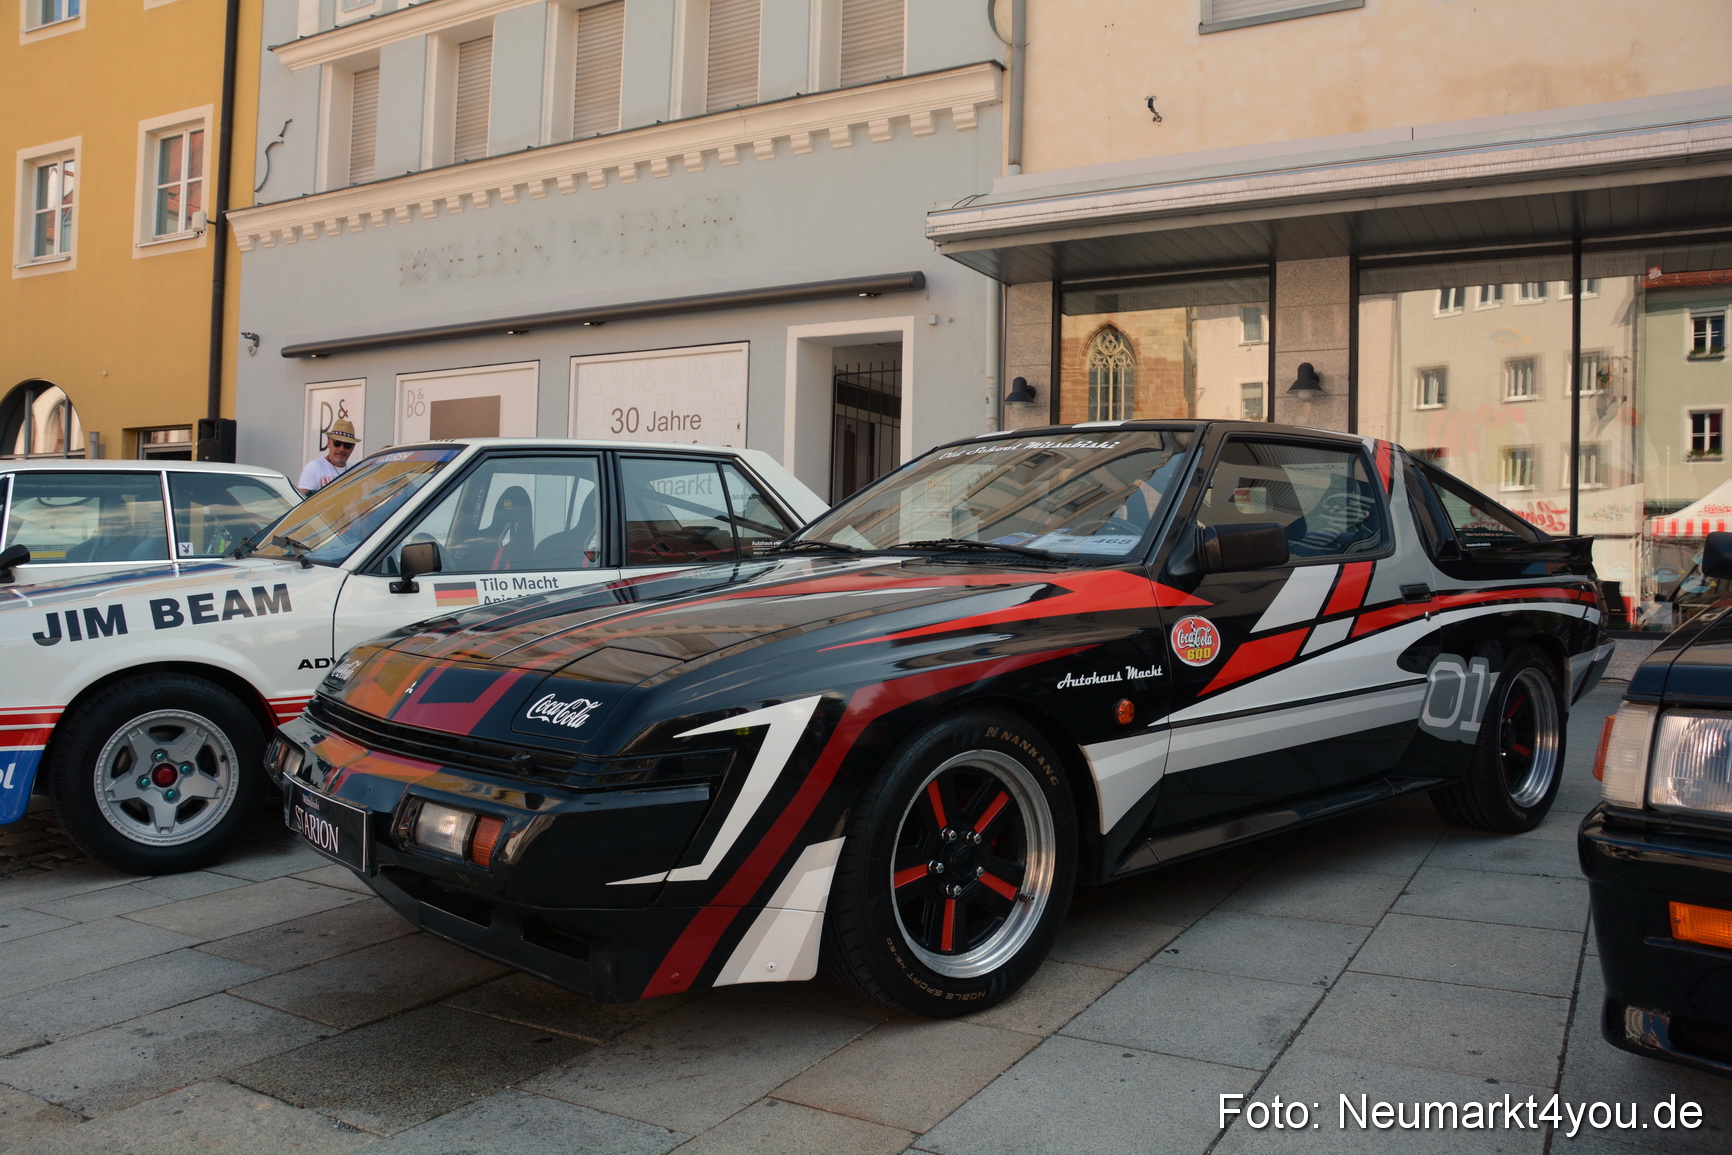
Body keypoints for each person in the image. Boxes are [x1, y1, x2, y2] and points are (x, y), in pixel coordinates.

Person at [299, 418, 358, 495]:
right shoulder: (315, 467)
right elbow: (303, 498)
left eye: (347, 445)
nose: (341, 449)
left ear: (353, 448)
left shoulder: (355, 470)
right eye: (337, 443)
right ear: (329, 443)